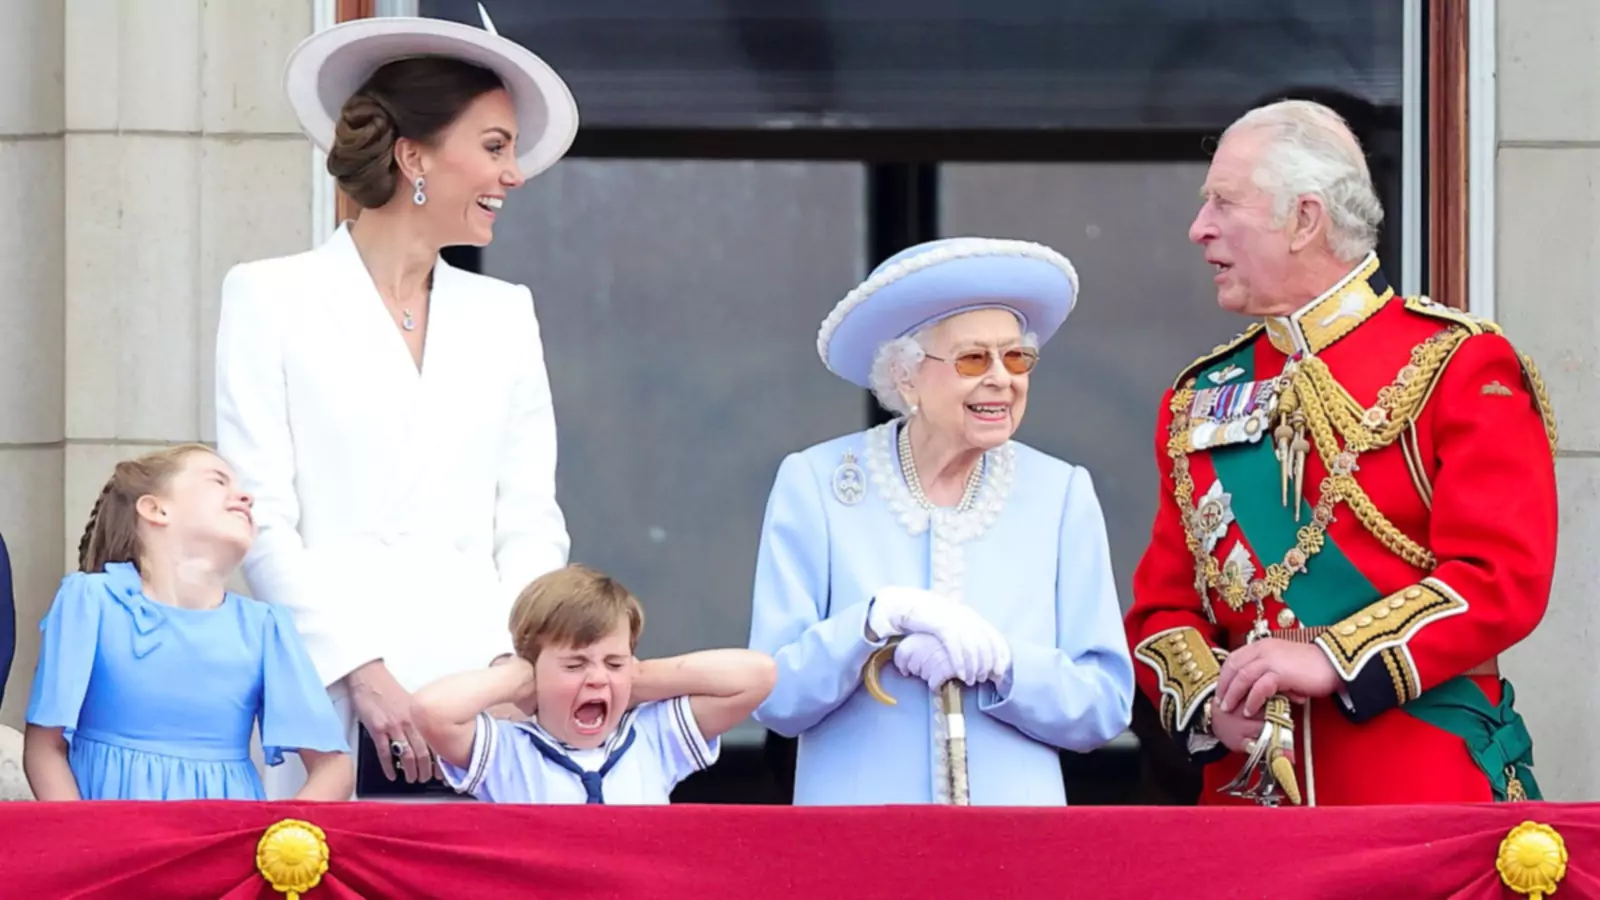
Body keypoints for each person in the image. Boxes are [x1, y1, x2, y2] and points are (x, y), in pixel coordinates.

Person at [1123, 99, 1558, 806]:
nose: (1198, 229)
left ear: (1305, 219)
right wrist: (1211, 702)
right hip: (1247, 811)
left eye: (1223, 203)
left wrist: (1334, 656)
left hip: (1417, 793)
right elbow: (1160, 610)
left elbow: (1500, 577)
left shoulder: (1455, 363)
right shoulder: (1199, 396)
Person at [214, 12, 579, 799]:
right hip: (329, 704)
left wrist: (509, 669)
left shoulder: (506, 310)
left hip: (484, 708)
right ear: (413, 155)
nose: (513, 174)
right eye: (493, 147)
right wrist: (359, 672)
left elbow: (528, 518)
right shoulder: (269, 296)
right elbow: (261, 518)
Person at [747, 237, 1136, 806]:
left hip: (1015, 847)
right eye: (974, 359)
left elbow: (1103, 707)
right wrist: (872, 624)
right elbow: (776, 698)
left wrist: (1005, 663)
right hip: (858, 843)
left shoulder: (1061, 493)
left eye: (1017, 358)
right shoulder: (817, 483)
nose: (1003, 378)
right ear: (907, 379)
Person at [21, 445, 351, 801]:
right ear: (156, 508)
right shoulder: (91, 601)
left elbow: (333, 766)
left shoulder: (264, 627)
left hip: (223, 845)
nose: (245, 497)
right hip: (112, 838)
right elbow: (44, 748)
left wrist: (280, 842)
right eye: (218, 481)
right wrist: (88, 847)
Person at [412, 564, 776, 804]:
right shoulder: (509, 753)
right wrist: (517, 677)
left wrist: (641, 678)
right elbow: (431, 710)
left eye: (614, 662)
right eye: (575, 664)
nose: (598, 678)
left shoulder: (652, 739)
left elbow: (757, 676)